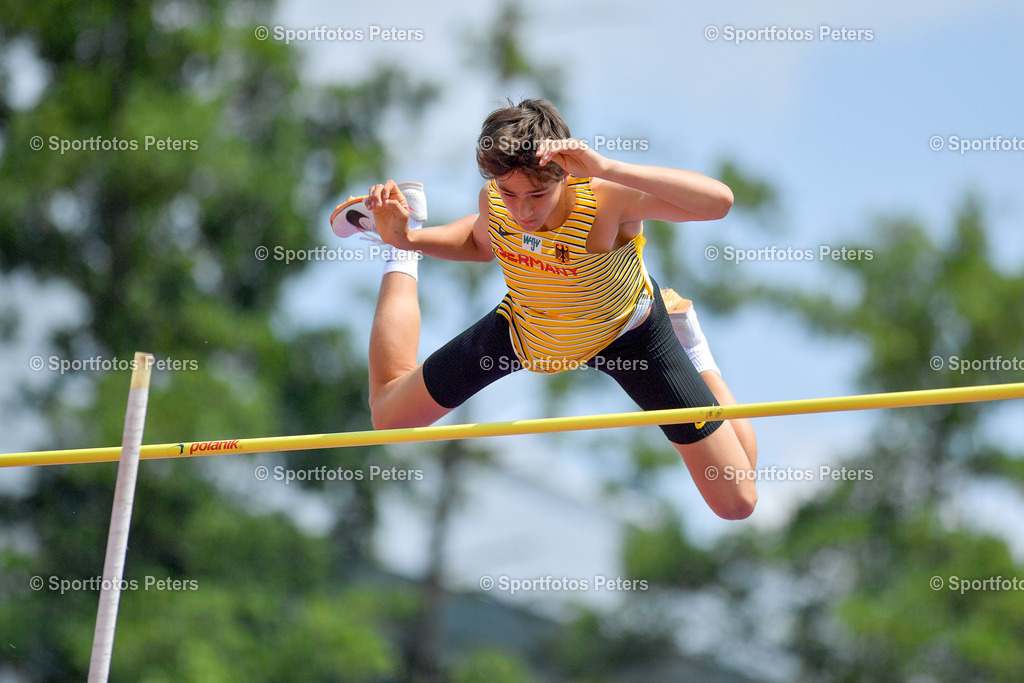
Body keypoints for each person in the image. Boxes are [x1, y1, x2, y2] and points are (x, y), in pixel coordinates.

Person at [331, 98, 758, 520]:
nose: (524, 210)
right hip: (529, 331)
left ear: (565, 173)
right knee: (390, 415)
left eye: (537, 193)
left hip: (630, 334)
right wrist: (408, 240)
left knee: (737, 500)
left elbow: (717, 202)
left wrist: (607, 167)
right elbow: (481, 242)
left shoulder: (607, 200)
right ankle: (398, 250)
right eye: (510, 194)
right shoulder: (494, 201)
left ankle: (694, 346)